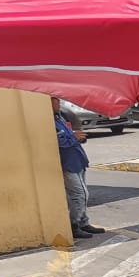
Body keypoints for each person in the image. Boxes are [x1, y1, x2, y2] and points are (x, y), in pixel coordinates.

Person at [52, 96, 104, 240]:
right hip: (68, 163)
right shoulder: (50, 122)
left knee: (79, 194)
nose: (59, 103)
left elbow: (68, 135)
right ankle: (74, 224)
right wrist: (74, 137)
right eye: (55, 100)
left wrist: (79, 137)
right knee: (80, 195)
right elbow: (58, 141)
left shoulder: (59, 118)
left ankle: (83, 221)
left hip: (77, 160)